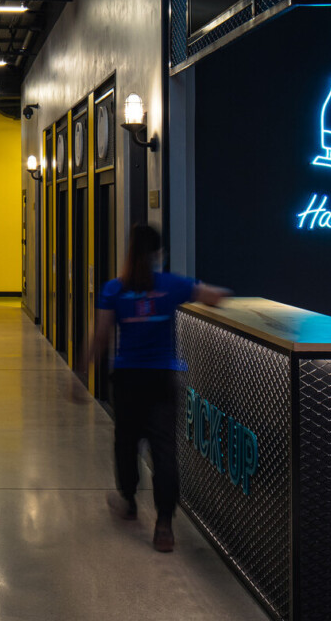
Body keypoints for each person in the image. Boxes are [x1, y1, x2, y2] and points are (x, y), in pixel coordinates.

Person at [72, 225, 230, 552]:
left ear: (129, 252)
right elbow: (214, 296)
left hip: (128, 380)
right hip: (162, 379)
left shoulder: (114, 289)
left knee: (126, 443)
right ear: (159, 254)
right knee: (164, 449)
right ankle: (164, 525)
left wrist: (79, 373)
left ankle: (128, 501)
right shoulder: (173, 285)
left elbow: (100, 336)